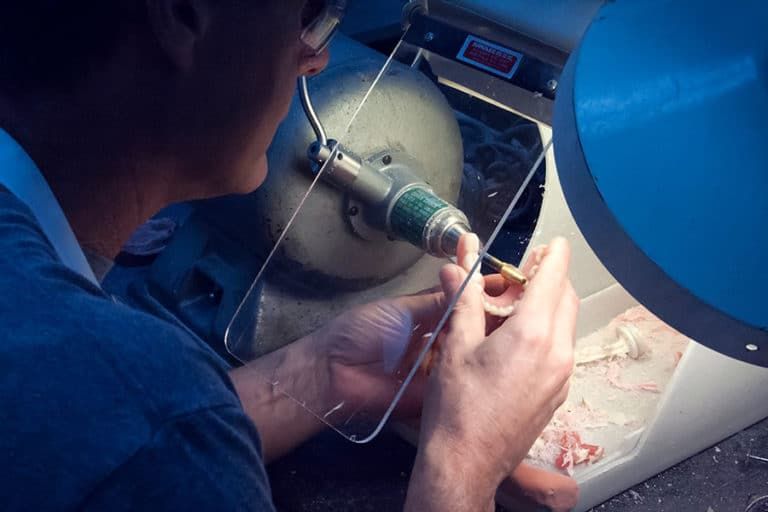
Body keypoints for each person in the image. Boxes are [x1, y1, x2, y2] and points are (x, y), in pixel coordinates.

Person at [0, 1, 578, 510]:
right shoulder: (151, 426)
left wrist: (321, 371)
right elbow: (148, 440)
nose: (316, 60)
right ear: (182, 12)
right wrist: (465, 463)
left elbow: (116, 435)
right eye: (308, 12)